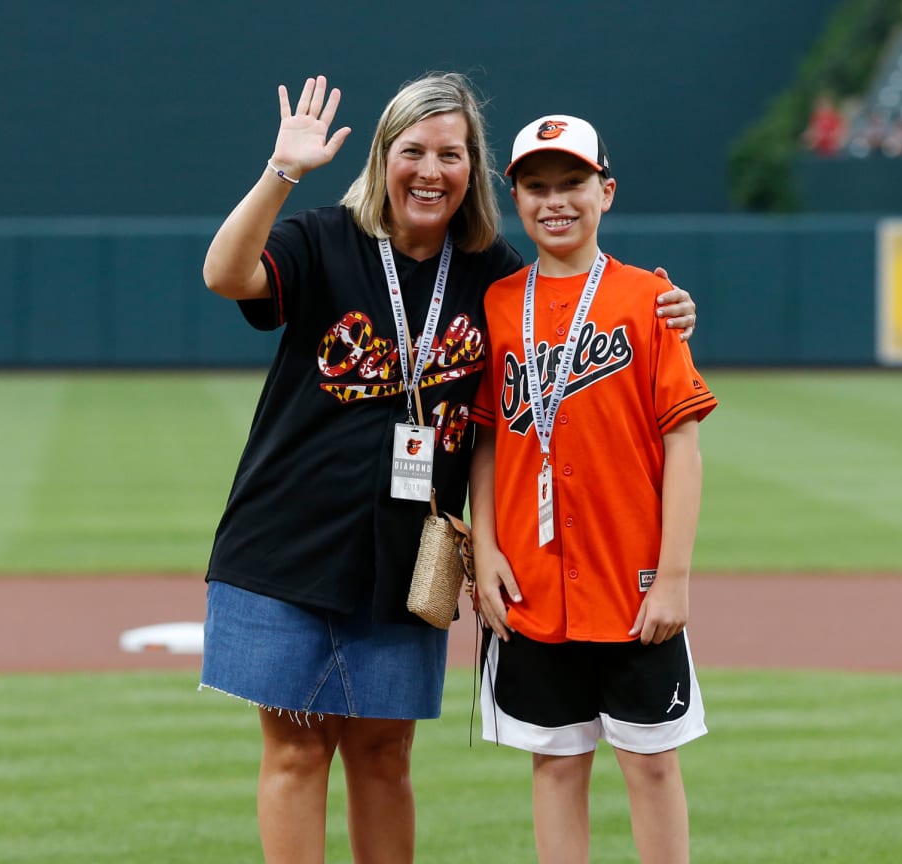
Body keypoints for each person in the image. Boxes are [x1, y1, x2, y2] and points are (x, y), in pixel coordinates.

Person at [198, 74, 698, 864]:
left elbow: (574, 299)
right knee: (295, 753)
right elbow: (227, 275)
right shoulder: (325, 238)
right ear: (383, 157)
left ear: (473, 171)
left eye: (451, 154)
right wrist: (282, 171)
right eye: (414, 151)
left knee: (384, 755)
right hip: (285, 541)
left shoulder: (490, 273)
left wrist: (669, 306)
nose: (431, 170)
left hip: (406, 551)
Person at [469, 114, 718, 864]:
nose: (556, 200)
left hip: (631, 578)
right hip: (532, 581)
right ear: (514, 199)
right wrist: (482, 552)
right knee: (555, 761)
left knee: (649, 762)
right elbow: (485, 439)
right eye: (536, 186)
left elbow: (683, 442)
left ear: (605, 191)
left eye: (573, 182)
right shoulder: (497, 303)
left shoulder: (649, 300)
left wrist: (673, 576)